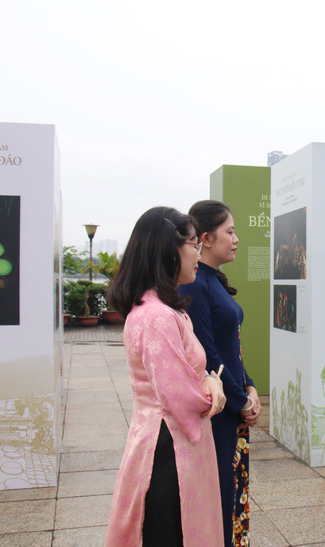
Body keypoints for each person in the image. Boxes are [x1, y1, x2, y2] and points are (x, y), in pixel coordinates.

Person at [105, 206, 226, 546]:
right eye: (194, 245)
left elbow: (185, 377)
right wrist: (213, 388)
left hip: (169, 440)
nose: (198, 255)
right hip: (167, 449)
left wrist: (207, 379)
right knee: (170, 532)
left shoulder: (164, 310)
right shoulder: (156, 316)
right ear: (170, 251)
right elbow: (181, 395)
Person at [179, 200, 261, 547]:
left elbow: (231, 349)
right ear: (207, 239)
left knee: (231, 489)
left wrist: (250, 388)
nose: (236, 239)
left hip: (232, 404)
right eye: (230, 231)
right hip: (219, 409)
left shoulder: (209, 280)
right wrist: (242, 400)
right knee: (220, 494)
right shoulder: (195, 285)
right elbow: (207, 355)